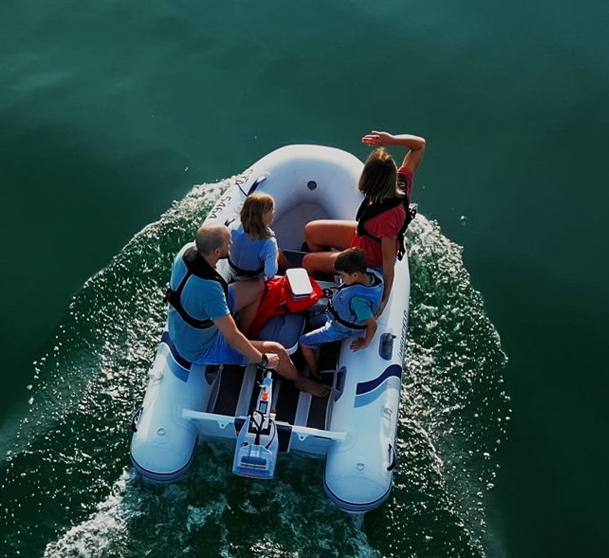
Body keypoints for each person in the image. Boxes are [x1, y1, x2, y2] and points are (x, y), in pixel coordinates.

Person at [165, 225, 329, 397]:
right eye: (228, 243)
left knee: (258, 287)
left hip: (195, 310)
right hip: (202, 346)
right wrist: (263, 360)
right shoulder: (210, 291)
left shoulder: (186, 253)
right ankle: (300, 381)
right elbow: (231, 336)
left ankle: (247, 334)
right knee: (277, 351)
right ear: (215, 251)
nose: (232, 244)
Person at [303, 130, 425, 314]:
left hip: (368, 259)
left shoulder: (387, 219)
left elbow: (387, 261)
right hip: (363, 237)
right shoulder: (401, 181)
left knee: (308, 262)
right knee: (311, 231)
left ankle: (324, 299)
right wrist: (391, 140)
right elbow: (419, 145)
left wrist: (384, 300)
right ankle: (331, 275)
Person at [298, 248, 383, 380]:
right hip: (333, 316)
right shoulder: (372, 275)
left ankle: (315, 376)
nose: (340, 278)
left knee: (303, 342)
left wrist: (365, 342)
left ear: (355, 275)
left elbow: (372, 324)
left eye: (342, 275)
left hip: (339, 328)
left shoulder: (358, 301)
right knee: (311, 323)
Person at [226, 193, 281, 335]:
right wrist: (276, 256)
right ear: (262, 215)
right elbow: (270, 273)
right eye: (271, 210)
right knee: (260, 288)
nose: (273, 212)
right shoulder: (268, 242)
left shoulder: (233, 226)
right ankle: (245, 332)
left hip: (234, 274)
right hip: (253, 281)